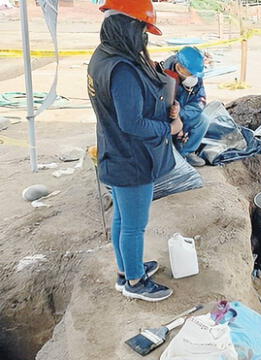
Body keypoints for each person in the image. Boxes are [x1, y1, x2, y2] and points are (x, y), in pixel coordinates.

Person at [87, 0, 181, 302]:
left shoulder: (103, 57)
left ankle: (126, 270)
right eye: (143, 29)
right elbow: (132, 123)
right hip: (131, 159)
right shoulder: (123, 69)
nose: (145, 38)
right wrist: (168, 128)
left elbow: (124, 109)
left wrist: (166, 105)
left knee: (122, 220)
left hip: (113, 151)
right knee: (134, 227)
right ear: (129, 27)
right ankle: (136, 283)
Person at [162, 47, 208, 167]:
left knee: (203, 120)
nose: (194, 77)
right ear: (179, 67)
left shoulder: (196, 76)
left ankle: (186, 153)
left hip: (182, 114)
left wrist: (181, 114)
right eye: (191, 73)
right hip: (164, 117)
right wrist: (173, 116)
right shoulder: (162, 75)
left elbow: (200, 101)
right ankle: (166, 155)